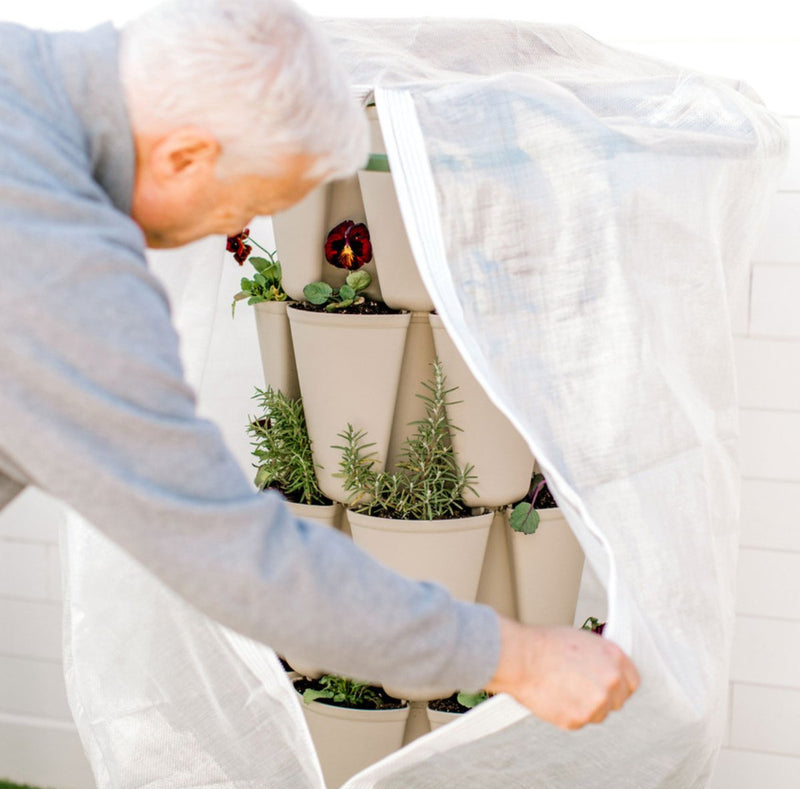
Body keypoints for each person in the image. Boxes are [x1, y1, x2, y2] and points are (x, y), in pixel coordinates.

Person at [0, 0, 638, 733]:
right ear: (186, 156)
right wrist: (518, 657)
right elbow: (229, 553)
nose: (228, 229)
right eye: (245, 204)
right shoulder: (60, 260)